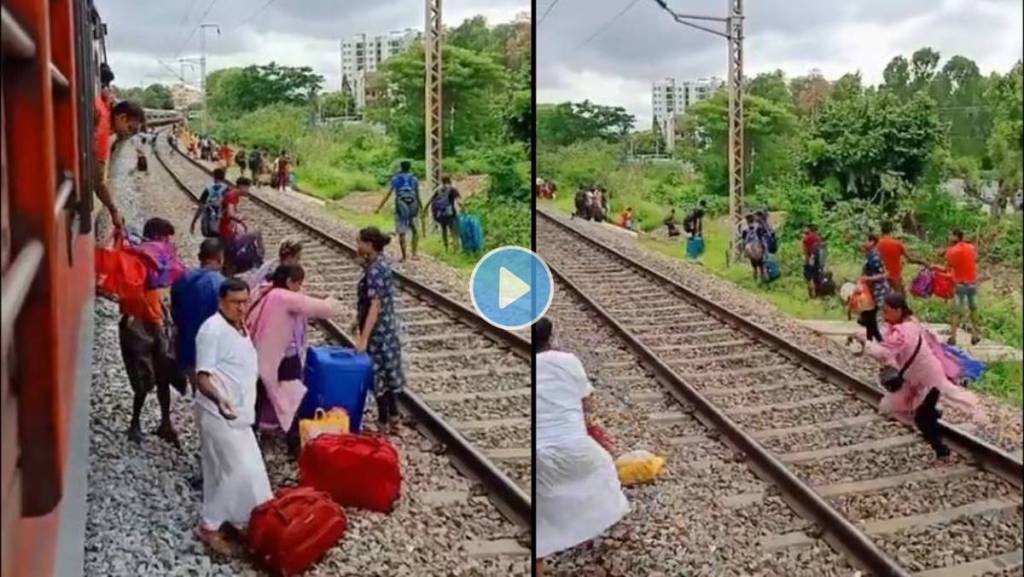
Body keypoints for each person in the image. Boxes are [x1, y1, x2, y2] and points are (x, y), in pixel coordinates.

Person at [535, 317, 629, 577]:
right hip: (574, 446)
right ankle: (592, 533)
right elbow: (589, 405)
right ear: (550, 339)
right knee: (604, 471)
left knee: (540, 509)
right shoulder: (567, 361)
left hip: (537, 453)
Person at [193, 277, 272, 556]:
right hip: (218, 414)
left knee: (229, 472)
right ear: (221, 302)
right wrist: (220, 399)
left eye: (244, 302)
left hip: (240, 415)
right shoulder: (211, 331)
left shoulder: (240, 327)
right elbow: (202, 376)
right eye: (235, 303)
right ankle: (210, 526)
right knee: (240, 471)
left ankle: (235, 519)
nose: (241, 308)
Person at [854, 294, 982, 463]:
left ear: (898, 310)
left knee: (922, 418)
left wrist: (866, 345)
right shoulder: (906, 324)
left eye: (887, 311)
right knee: (908, 410)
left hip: (928, 380)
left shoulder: (905, 330)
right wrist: (865, 340)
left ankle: (943, 452)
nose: (884, 315)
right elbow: (888, 345)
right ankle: (937, 424)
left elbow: (886, 351)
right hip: (918, 379)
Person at [247, 264, 340, 451]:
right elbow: (322, 309)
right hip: (283, 357)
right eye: (298, 283)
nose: (300, 288)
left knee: (259, 396)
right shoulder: (284, 297)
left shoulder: (264, 290)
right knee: (289, 393)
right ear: (289, 282)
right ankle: (287, 438)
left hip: (259, 354)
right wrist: (331, 301)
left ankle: (256, 436)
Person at [120, 218, 187, 446]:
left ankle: (165, 423)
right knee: (142, 375)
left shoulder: (151, 258)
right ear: (157, 237)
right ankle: (135, 423)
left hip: (154, 319)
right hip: (137, 323)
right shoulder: (136, 259)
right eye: (165, 237)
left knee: (163, 373)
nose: (168, 242)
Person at [354, 227, 405, 433]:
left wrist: (364, 337)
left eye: (359, 242)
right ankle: (394, 418)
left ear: (369, 244)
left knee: (378, 375)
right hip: (388, 326)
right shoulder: (381, 262)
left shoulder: (375, 270)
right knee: (389, 371)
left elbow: (374, 305)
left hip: (378, 331)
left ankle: (384, 421)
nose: (356, 246)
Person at [171, 238, 226, 396]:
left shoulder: (183, 278)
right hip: (213, 350)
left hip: (186, 345)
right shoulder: (222, 284)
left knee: (198, 388)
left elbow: (175, 312)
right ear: (220, 258)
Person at [943, 229, 981, 346]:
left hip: (960, 284)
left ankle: (953, 337)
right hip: (972, 284)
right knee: (973, 309)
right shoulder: (971, 248)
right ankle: (975, 335)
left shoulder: (951, 251)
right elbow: (975, 260)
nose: (949, 237)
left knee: (956, 312)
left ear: (955, 236)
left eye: (950, 235)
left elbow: (947, 269)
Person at [376, 160, 420, 261]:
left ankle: (404, 256)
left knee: (402, 232)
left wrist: (379, 207)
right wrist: (421, 208)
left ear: (401, 167)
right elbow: (417, 195)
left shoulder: (395, 179)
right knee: (415, 231)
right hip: (413, 207)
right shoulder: (414, 179)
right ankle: (414, 254)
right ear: (410, 167)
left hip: (400, 207)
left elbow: (388, 194)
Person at [860, 234, 891, 343]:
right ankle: (874, 339)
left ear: (872, 242)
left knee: (871, 315)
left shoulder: (875, 257)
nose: (864, 243)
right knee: (869, 315)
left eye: (866, 240)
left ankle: (878, 340)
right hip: (871, 290)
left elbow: (883, 275)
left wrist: (867, 278)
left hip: (879, 290)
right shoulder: (868, 255)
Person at [190, 168, 231, 238]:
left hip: (208, 223)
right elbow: (230, 208)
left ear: (214, 176)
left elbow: (200, 208)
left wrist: (193, 223)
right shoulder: (227, 190)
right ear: (224, 177)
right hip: (222, 223)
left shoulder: (208, 189)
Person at [427, 175, 461, 251]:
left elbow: (430, 200)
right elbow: (459, 201)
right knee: (454, 231)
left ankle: (446, 247)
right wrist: (464, 208)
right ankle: (456, 248)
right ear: (449, 180)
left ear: (442, 181)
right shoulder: (453, 189)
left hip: (441, 214)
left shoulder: (438, 190)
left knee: (444, 230)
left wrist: (425, 210)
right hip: (450, 213)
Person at [877, 231, 913, 296]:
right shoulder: (898, 244)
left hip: (881, 275)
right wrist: (924, 262)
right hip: (895, 275)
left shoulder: (877, 244)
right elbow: (910, 259)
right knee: (900, 295)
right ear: (892, 231)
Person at [741, 214, 766, 282]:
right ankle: (763, 278)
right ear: (753, 219)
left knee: (754, 267)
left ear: (747, 221)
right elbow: (762, 234)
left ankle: (755, 279)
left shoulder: (745, 229)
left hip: (749, 246)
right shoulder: (758, 226)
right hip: (758, 245)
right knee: (761, 265)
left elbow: (743, 238)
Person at [802, 224, 824, 298]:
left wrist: (806, 262)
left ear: (809, 230)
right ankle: (818, 295)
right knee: (816, 277)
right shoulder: (819, 238)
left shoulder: (806, 239)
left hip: (809, 260)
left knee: (808, 278)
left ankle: (811, 294)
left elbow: (805, 252)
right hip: (817, 261)